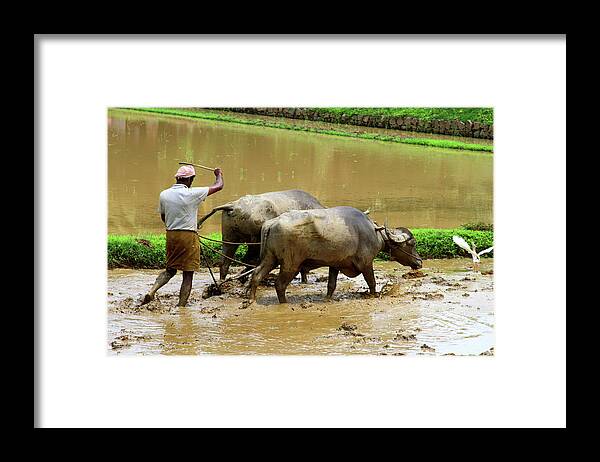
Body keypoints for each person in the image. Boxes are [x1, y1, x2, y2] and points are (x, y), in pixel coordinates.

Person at [140, 164, 224, 307]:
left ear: (177, 178)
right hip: (188, 236)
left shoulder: (164, 194)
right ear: (190, 179)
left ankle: (152, 291)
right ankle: (181, 307)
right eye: (192, 179)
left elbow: (163, 216)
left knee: (170, 269)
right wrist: (218, 174)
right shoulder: (192, 193)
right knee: (188, 274)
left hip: (171, 235)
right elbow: (219, 186)